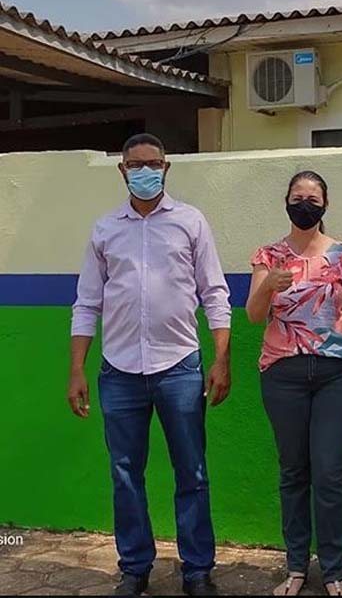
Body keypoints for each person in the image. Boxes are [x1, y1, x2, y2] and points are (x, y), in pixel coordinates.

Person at [68, 133, 231, 597]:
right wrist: (77, 368)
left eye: (153, 163)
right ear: (122, 170)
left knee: (192, 472)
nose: (144, 171)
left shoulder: (190, 222)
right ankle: (135, 568)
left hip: (180, 366)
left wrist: (221, 358)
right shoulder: (105, 230)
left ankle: (197, 569)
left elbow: (214, 294)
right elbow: (86, 304)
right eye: (135, 164)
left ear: (166, 167)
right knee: (124, 473)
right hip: (118, 371)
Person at [246, 171, 342, 597]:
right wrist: (270, 285)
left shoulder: (341, 255)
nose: (305, 203)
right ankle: (296, 566)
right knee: (294, 471)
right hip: (282, 376)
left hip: (334, 377)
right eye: (297, 196)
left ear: (325, 204)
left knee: (331, 472)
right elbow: (252, 314)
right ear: (286, 201)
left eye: (313, 197)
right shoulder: (269, 256)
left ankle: (335, 571)